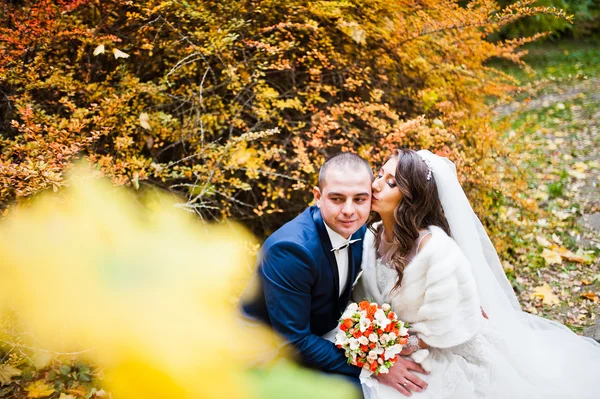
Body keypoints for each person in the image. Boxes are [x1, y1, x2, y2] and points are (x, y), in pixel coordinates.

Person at [352, 148, 600, 399]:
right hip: (394, 338)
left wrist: (404, 345)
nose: (376, 185)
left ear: (410, 196)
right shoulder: (373, 233)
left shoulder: (432, 247)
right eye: (380, 174)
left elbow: (450, 317)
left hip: (444, 343)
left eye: (391, 182)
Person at [241, 152, 429, 396]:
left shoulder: (362, 233)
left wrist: (452, 291)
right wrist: (376, 367)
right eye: (337, 199)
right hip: (267, 355)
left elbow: (410, 253)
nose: (349, 211)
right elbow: (294, 341)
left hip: (324, 336)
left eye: (360, 199)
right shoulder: (290, 251)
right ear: (318, 197)